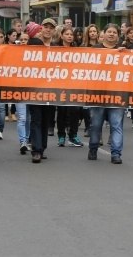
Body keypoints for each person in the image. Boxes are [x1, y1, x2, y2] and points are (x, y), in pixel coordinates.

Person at [87, 23, 126, 164]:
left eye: (114, 32)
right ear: (103, 33)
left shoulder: (124, 52)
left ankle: (116, 153)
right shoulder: (95, 50)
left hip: (117, 95)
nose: (111, 34)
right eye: (109, 31)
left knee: (116, 125)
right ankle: (93, 148)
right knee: (96, 125)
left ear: (118, 35)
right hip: (98, 94)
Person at [27, 18, 57, 163]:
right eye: (45, 26)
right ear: (41, 28)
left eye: (51, 27)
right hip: (34, 87)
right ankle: (36, 150)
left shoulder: (58, 47)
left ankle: (42, 147)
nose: (48, 29)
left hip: (52, 89)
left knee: (46, 119)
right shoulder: (33, 44)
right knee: (36, 118)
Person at [53, 25, 84, 147]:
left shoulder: (77, 49)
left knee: (75, 110)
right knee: (62, 110)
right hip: (60, 84)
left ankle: (73, 135)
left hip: (74, 84)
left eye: (71, 34)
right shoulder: (56, 49)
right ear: (61, 35)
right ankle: (61, 136)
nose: (70, 36)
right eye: (67, 34)